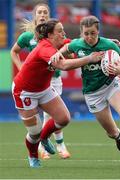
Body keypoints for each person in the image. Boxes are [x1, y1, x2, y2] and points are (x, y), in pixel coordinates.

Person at [49, 15, 120, 167]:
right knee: (111, 132)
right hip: (92, 94)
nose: (89, 37)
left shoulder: (108, 45)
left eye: (93, 33)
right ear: (81, 33)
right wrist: (58, 53)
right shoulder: (77, 45)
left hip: (111, 85)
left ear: (98, 32)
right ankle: (118, 136)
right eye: (86, 33)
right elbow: (65, 49)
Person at [11, 18, 104, 168]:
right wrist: (89, 59)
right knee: (34, 132)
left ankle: (44, 137)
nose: (63, 33)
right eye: (60, 31)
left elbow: (83, 40)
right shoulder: (45, 48)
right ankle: (33, 156)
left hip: (43, 89)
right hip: (24, 91)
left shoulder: (61, 43)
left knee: (64, 118)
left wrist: (104, 42)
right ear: (50, 35)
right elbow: (64, 65)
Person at [10, 3, 71, 160]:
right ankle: (41, 146)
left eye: (45, 12)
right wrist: (20, 66)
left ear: (49, 16)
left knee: (55, 115)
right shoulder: (28, 36)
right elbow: (14, 51)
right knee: (40, 124)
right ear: (35, 15)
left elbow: (71, 45)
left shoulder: (55, 35)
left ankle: (59, 144)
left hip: (53, 79)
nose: (42, 14)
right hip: (31, 84)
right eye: (39, 12)